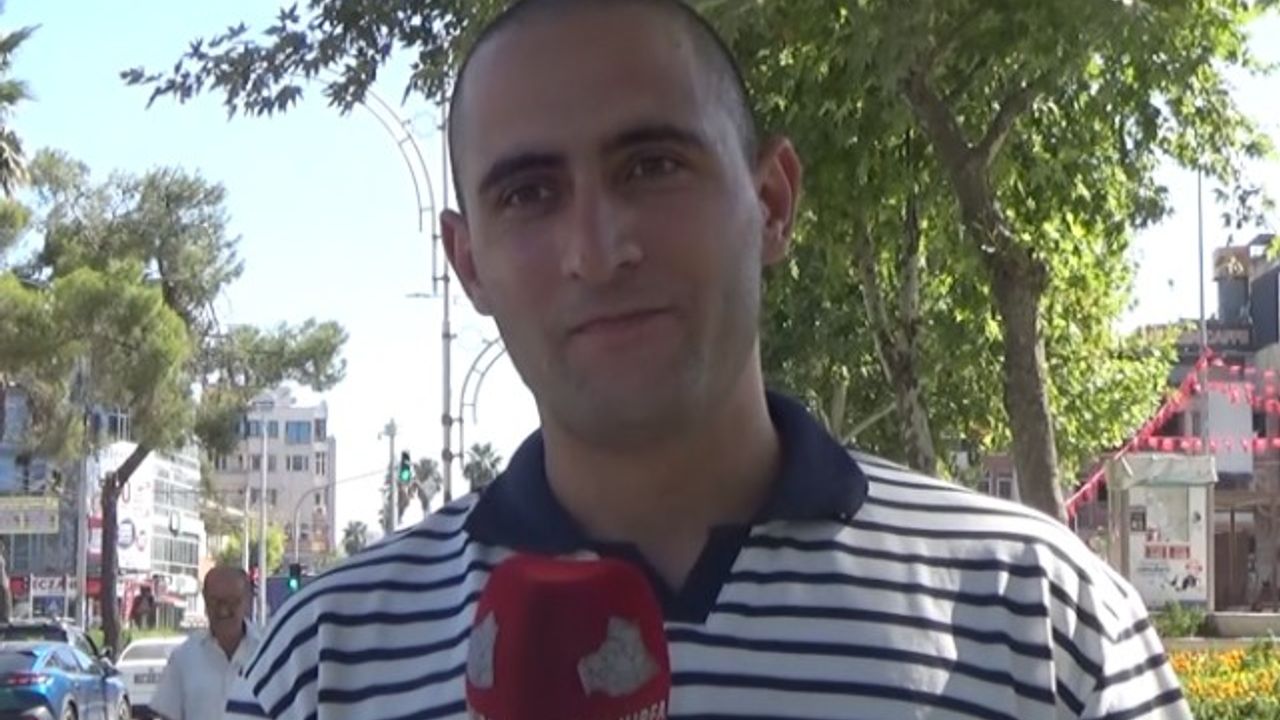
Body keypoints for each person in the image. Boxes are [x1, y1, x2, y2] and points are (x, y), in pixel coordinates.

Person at [226, 0, 1191, 717]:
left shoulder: (1042, 623)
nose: (598, 250)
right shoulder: (320, 667)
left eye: (652, 167)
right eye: (528, 194)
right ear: (467, 261)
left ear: (771, 203)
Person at [152, 566, 260, 720]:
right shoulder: (184, 658)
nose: (223, 610)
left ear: (247, 600)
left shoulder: (269, 654)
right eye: (215, 602)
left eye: (231, 602)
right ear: (205, 601)